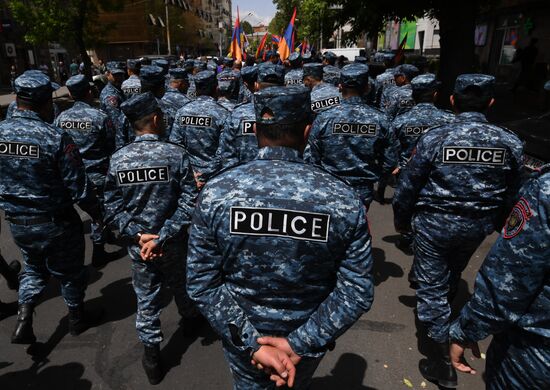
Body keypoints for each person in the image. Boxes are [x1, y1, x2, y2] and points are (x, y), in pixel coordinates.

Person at [187, 85, 374, 390]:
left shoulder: (216, 195)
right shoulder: (342, 199)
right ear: (308, 131)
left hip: (243, 341)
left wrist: (253, 344)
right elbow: (356, 291)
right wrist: (299, 344)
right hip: (305, 341)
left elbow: (201, 282)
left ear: (257, 129)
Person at [392, 74, 524, 388]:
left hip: (434, 226)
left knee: (432, 287)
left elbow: (409, 185)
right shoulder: (509, 142)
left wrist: (401, 220)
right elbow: (515, 194)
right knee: (452, 273)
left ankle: (441, 361)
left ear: (452, 100)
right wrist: (498, 222)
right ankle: (447, 325)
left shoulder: (436, 138)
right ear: (491, 103)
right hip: (477, 227)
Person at [0, 71, 103, 344]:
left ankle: (24, 316)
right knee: (70, 272)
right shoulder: (55, 137)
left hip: (17, 221)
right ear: (46, 101)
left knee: (33, 270)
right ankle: (76, 318)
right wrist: (98, 215)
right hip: (56, 222)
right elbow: (79, 188)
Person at [104, 92, 200, 385]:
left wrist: (137, 235)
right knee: (181, 282)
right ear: (156, 119)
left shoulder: (118, 159)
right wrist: (165, 234)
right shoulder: (176, 154)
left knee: (146, 298)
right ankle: (190, 321)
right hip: (171, 241)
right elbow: (190, 199)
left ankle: (151, 356)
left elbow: (110, 204)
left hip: (140, 247)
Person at [449, 166, 550, 389]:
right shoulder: (511, 143)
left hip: (535, 353)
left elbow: (511, 280)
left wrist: (466, 331)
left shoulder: (546, 190)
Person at [305, 63, 395, 208]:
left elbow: (312, 156)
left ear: (340, 87)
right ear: (367, 88)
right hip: (363, 191)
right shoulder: (381, 119)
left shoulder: (324, 118)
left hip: (330, 187)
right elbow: (390, 161)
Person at [387, 73, 455, 254]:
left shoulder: (400, 121)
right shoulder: (449, 120)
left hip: (407, 172)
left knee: (408, 203)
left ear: (412, 96)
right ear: (434, 95)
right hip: (438, 174)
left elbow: (393, 149)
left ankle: (409, 237)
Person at [54, 74, 115, 267]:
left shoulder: (61, 118)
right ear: (89, 93)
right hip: (96, 174)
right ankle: (98, 250)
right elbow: (111, 145)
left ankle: (105, 235)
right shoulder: (99, 117)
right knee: (99, 212)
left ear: (71, 94)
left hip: (70, 176)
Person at [216, 63, 285, 171]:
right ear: (284, 86)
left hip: (243, 181)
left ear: (257, 85)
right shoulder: (296, 114)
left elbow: (226, 155)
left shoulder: (237, 114)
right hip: (285, 179)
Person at [170, 70, 230, 186]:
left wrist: (191, 174)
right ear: (216, 88)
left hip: (188, 177)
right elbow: (224, 151)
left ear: (195, 89)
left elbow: (175, 145)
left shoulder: (182, 112)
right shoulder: (223, 113)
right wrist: (205, 175)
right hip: (214, 178)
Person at [99, 61, 126, 151]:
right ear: (108, 74)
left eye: (120, 75)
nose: (119, 78)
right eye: (115, 75)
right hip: (117, 140)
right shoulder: (110, 95)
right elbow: (116, 123)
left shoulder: (118, 90)